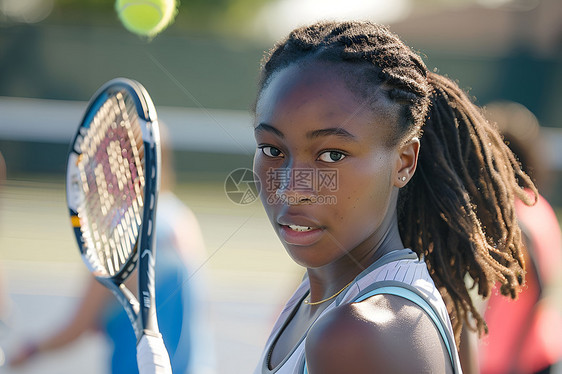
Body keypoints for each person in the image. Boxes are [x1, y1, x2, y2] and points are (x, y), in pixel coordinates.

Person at [250, 21, 536, 374]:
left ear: (404, 162)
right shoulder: (323, 301)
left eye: (332, 155)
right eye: (271, 149)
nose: (292, 186)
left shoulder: (358, 333)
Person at [9, 126, 216, 374]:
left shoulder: (121, 233)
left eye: (102, 158)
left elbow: (78, 326)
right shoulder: (181, 218)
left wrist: (31, 350)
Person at [474, 101, 562, 374]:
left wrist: (515, 356)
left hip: (514, 360)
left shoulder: (515, 220)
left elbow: (538, 286)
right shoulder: (538, 205)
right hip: (539, 351)